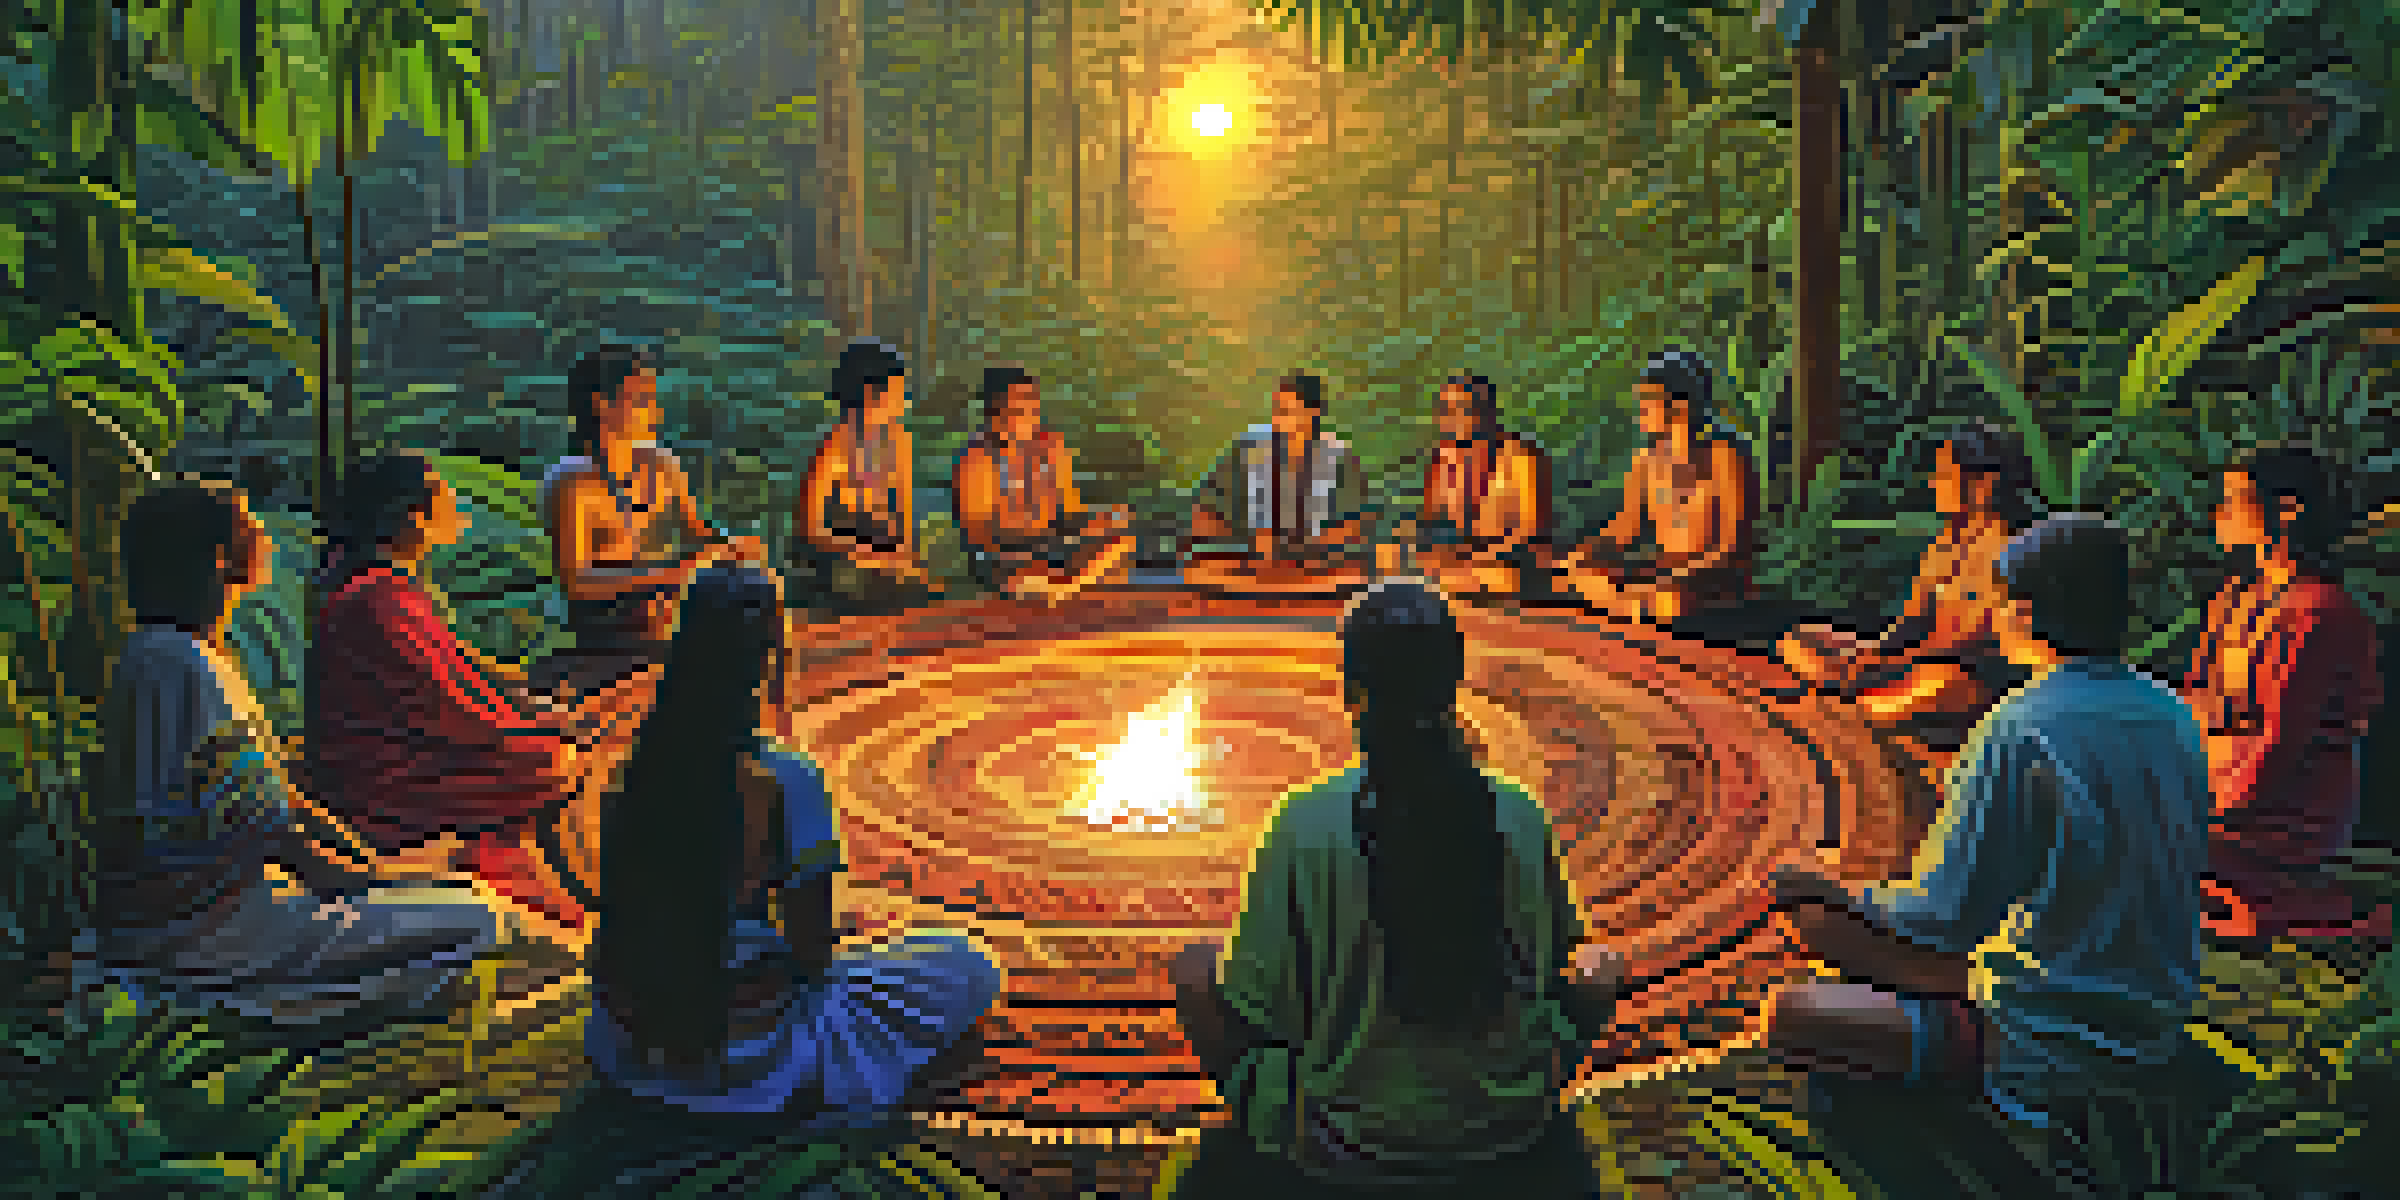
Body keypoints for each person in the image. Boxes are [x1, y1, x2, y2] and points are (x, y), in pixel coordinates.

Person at [1762, 515, 2215, 1198]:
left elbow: (1943, 917)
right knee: (1841, 935)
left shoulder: (2020, 727)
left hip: (2042, 1030)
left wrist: (1830, 886)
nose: (1994, 615)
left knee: (1794, 1003)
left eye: (2000, 601)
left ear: (2028, 614)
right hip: (2152, 1012)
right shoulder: (2173, 713)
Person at [1167, 579, 1624, 1197]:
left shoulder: (1304, 822)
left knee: (1195, 971)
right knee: (1601, 964)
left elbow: (1257, 1009)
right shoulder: (1516, 811)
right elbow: (1564, 965)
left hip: (1350, 1141)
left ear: (1351, 691)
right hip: (1514, 1120)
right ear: (1454, 684)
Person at [586, 563, 1002, 1123]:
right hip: (749, 1054)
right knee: (968, 964)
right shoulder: (780, 779)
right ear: (768, 655)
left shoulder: (632, 774)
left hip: (629, 1046)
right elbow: (813, 951)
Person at [92, 479, 504, 1033]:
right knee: (479, 919)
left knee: (450, 898)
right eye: (246, 522)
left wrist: (380, 870)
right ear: (219, 559)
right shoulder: (183, 665)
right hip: (206, 932)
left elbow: (281, 802)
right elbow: (273, 831)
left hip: (208, 916)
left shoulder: (164, 654)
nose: (261, 529)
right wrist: (374, 883)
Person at [312, 453, 656, 955]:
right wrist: (545, 727)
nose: (455, 502)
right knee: (558, 763)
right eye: (441, 494)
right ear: (413, 518)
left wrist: (535, 707)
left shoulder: (391, 592)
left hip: (420, 745)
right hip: (386, 776)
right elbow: (454, 708)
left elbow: (465, 673)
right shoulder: (376, 600)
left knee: (581, 736)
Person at [2182, 444, 2386, 942]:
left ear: (2287, 510)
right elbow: (2194, 700)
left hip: (2283, 808)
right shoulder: (2233, 600)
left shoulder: (2320, 613)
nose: (2220, 514)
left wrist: (2209, 810)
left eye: (2234, 501)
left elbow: (2280, 742)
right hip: (2214, 786)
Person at [1777, 424, 2049, 746]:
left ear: (1983, 484)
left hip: (1967, 679)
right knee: (1802, 639)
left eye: (1944, 474)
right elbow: (1911, 621)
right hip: (1912, 662)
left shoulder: (2010, 550)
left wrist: (1884, 665)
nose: (1933, 483)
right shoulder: (1946, 543)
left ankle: (1854, 705)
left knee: (1938, 683)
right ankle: (1855, 697)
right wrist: (1872, 654)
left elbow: (1970, 647)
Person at [540, 345, 767, 695]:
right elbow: (578, 583)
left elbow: (699, 535)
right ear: (602, 404)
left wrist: (731, 547)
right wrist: (668, 578)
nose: (655, 411)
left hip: (661, 595)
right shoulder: (572, 481)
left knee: (759, 590)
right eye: (642, 399)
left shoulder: (662, 464)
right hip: (606, 616)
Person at [1554, 350, 1757, 625]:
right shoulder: (1646, 460)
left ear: (1681, 406)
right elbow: (1624, 530)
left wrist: (1673, 578)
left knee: (1669, 599)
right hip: (1662, 575)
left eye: (1648, 403)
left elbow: (1734, 546)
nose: (1640, 412)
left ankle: (1633, 605)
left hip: (1712, 580)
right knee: (1580, 575)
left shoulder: (1725, 454)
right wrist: (1585, 554)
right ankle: (1632, 604)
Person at [951, 365, 1137, 603]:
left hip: (1052, 550)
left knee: (1119, 539)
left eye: (1032, 405)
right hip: (1005, 559)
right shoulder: (978, 459)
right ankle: (1062, 585)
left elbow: (1069, 513)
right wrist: (1039, 533)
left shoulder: (1050, 449)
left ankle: (1064, 586)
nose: (1030, 414)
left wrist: (1095, 521)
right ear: (994, 414)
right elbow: (980, 534)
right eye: (1019, 407)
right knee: (1021, 573)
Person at [792, 339, 946, 617]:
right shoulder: (833, 449)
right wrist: (862, 552)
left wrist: (904, 556)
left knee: (923, 588)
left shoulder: (898, 442)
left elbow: (904, 517)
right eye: (897, 393)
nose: (903, 402)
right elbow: (809, 529)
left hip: (884, 558)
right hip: (838, 563)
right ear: (870, 393)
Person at [1186, 374, 1370, 587]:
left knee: (1350, 576)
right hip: (1249, 567)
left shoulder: (1340, 458)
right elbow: (1206, 511)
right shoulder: (1249, 450)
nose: (1277, 420)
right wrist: (1236, 544)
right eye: (1276, 411)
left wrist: (1318, 549)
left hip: (1318, 569)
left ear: (1312, 414)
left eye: (1286, 412)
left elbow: (1356, 522)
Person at [1398, 375, 1554, 600]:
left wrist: (1483, 556)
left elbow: (1531, 532)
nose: (1451, 419)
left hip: (1511, 563)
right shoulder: (1443, 460)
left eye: (1461, 409)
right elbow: (1431, 527)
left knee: (1501, 577)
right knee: (1391, 557)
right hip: (1462, 565)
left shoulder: (1521, 457)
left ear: (1488, 414)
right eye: (1446, 410)